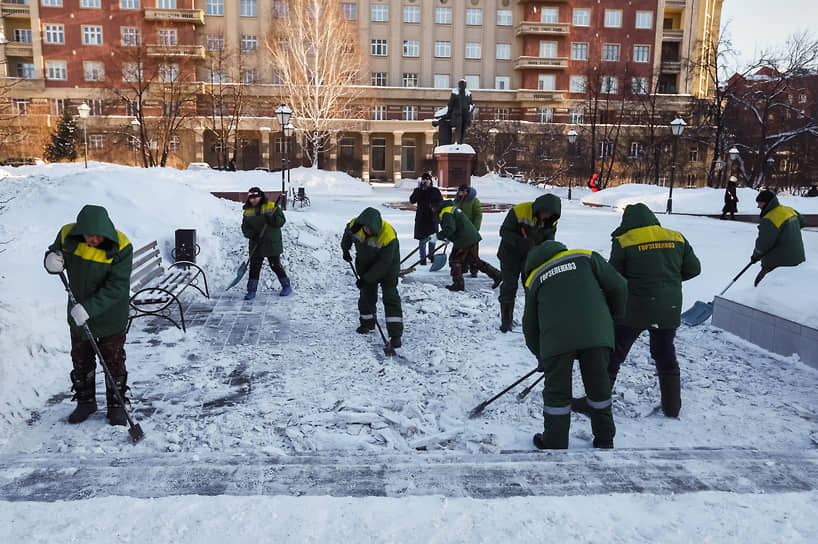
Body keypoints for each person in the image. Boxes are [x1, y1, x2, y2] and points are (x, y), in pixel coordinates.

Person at [572, 203, 701, 419]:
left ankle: (595, 402)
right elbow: (693, 269)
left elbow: (614, 279)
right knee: (665, 353)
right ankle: (672, 407)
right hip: (667, 309)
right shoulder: (676, 237)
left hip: (633, 310)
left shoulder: (625, 241)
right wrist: (667, 283)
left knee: (615, 353)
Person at [523, 241, 627, 449]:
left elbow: (530, 325)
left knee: (557, 391)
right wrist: (613, 315)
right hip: (595, 332)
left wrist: (540, 354)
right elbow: (619, 285)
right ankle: (605, 438)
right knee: (599, 385)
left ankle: (554, 441)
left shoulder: (535, 278)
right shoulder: (585, 256)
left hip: (556, 340)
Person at [43, 205, 134, 426]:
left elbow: (117, 287)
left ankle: (116, 404)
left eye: (96, 236)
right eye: (88, 235)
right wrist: (50, 260)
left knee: (113, 360)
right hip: (77, 314)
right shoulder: (67, 235)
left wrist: (89, 309)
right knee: (81, 359)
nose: (92, 239)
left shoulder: (122, 246)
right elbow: (55, 253)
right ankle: (85, 402)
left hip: (111, 314)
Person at [497, 194, 561, 332]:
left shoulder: (551, 220)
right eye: (544, 213)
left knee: (532, 288)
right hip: (510, 255)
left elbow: (549, 240)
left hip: (531, 258)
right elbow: (504, 231)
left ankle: (532, 321)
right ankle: (506, 321)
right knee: (509, 286)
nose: (546, 217)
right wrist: (519, 241)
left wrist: (547, 253)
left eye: (549, 214)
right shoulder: (519, 211)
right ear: (539, 208)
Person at [341, 207, 404, 348]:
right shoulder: (355, 226)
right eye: (366, 229)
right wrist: (345, 248)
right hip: (366, 263)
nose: (369, 232)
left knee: (390, 296)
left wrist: (365, 279)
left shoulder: (388, 236)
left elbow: (383, 264)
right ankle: (367, 323)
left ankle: (395, 335)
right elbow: (347, 233)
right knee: (366, 294)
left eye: (372, 231)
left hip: (388, 267)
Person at [435, 199, 501, 292]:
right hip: (471, 237)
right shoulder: (450, 208)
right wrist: (448, 237)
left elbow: (450, 228)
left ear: (435, 207)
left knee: (455, 260)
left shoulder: (446, 212)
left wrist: (439, 235)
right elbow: (457, 226)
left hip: (464, 239)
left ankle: (458, 285)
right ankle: (497, 275)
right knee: (474, 261)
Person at [241, 187, 292, 299]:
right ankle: (251, 290)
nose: (253, 200)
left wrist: (273, 220)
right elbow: (245, 228)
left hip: (271, 243)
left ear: (261, 196)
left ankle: (286, 286)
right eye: (251, 198)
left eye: (256, 197)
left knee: (275, 266)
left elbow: (281, 221)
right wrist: (253, 236)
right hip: (256, 243)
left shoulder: (271, 206)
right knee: (254, 267)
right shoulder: (247, 211)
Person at [751, 189, 806, 286]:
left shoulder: (769, 219)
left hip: (779, 261)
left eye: (760, 203)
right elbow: (802, 221)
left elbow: (763, 244)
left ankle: (758, 300)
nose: (758, 206)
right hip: (798, 258)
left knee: (760, 284)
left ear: (767, 203)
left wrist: (755, 256)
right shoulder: (788, 210)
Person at [408, 173, 442, 265]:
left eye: (427, 179)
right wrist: (420, 191)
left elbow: (440, 202)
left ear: (430, 181)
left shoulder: (435, 190)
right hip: (421, 218)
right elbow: (412, 200)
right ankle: (422, 258)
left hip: (432, 218)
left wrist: (435, 209)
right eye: (424, 179)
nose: (425, 181)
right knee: (422, 239)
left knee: (432, 238)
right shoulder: (418, 190)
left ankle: (431, 255)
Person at [454, 183, 483, 277]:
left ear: (466, 192)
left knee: (473, 252)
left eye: (462, 191)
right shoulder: (456, 201)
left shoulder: (474, 201)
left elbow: (478, 215)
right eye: (459, 191)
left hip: (471, 230)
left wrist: (475, 228)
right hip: (460, 231)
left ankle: (474, 270)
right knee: (460, 250)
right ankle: (463, 268)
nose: (460, 193)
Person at [447, 79, 474, 145]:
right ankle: (457, 142)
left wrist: (470, 112)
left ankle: (462, 142)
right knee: (458, 128)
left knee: (464, 129)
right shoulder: (455, 93)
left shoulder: (468, 94)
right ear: (459, 85)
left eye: (464, 85)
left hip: (466, 114)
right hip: (458, 114)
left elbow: (471, 104)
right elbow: (450, 104)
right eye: (461, 85)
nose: (463, 86)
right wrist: (448, 114)